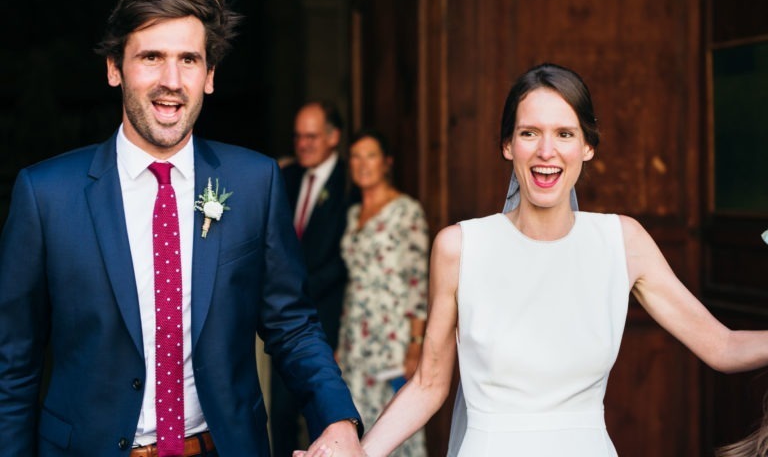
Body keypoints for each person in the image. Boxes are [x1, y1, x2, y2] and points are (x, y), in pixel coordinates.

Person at [321, 62, 768, 457]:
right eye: (529, 133)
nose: (546, 151)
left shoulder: (622, 241)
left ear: (588, 147)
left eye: (565, 133)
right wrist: (361, 452)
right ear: (507, 146)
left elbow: (722, 347)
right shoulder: (459, 246)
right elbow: (429, 384)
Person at [0, 0, 364, 457]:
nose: (171, 79)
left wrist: (337, 419)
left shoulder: (255, 181)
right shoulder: (45, 195)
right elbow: (13, 364)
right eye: (151, 57)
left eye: (188, 60)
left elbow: (292, 325)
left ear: (209, 76)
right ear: (115, 69)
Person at [335, 129, 429, 457]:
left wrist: (416, 346)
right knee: (358, 432)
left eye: (370, 155)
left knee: (396, 434)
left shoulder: (406, 211)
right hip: (356, 343)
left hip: (393, 341)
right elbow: (353, 282)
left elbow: (419, 282)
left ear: (386, 163)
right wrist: (340, 344)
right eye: (356, 157)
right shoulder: (351, 214)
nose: (362, 164)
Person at [270, 101, 356, 456]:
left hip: (329, 317)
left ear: (334, 137)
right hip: (283, 320)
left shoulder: (352, 182)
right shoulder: (284, 178)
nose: (302, 144)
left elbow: (345, 260)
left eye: (312, 136)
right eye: (298, 136)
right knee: (281, 415)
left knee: (327, 419)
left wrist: (295, 290)